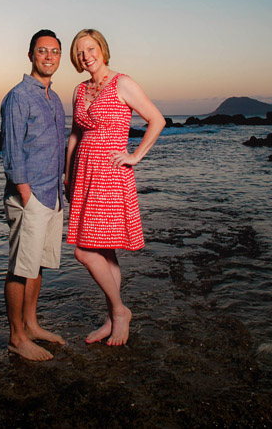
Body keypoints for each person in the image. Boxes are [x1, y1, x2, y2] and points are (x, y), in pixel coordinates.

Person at [65, 28, 164, 346]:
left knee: (84, 251)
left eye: (91, 48)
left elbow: (157, 119)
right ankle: (112, 317)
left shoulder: (123, 83)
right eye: (80, 51)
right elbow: (75, 136)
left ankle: (120, 312)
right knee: (104, 251)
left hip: (109, 175)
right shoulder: (80, 91)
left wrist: (135, 156)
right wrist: (67, 175)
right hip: (83, 174)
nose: (86, 55)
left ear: (103, 50)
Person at [0, 29, 67, 361]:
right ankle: (16, 337)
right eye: (43, 51)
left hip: (52, 193)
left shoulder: (53, 98)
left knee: (36, 263)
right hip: (30, 196)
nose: (49, 57)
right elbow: (13, 152)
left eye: (55, 52)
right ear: (30, 55)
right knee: (19, 267)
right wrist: (26, 196)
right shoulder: (19, 96)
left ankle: (31, 324)